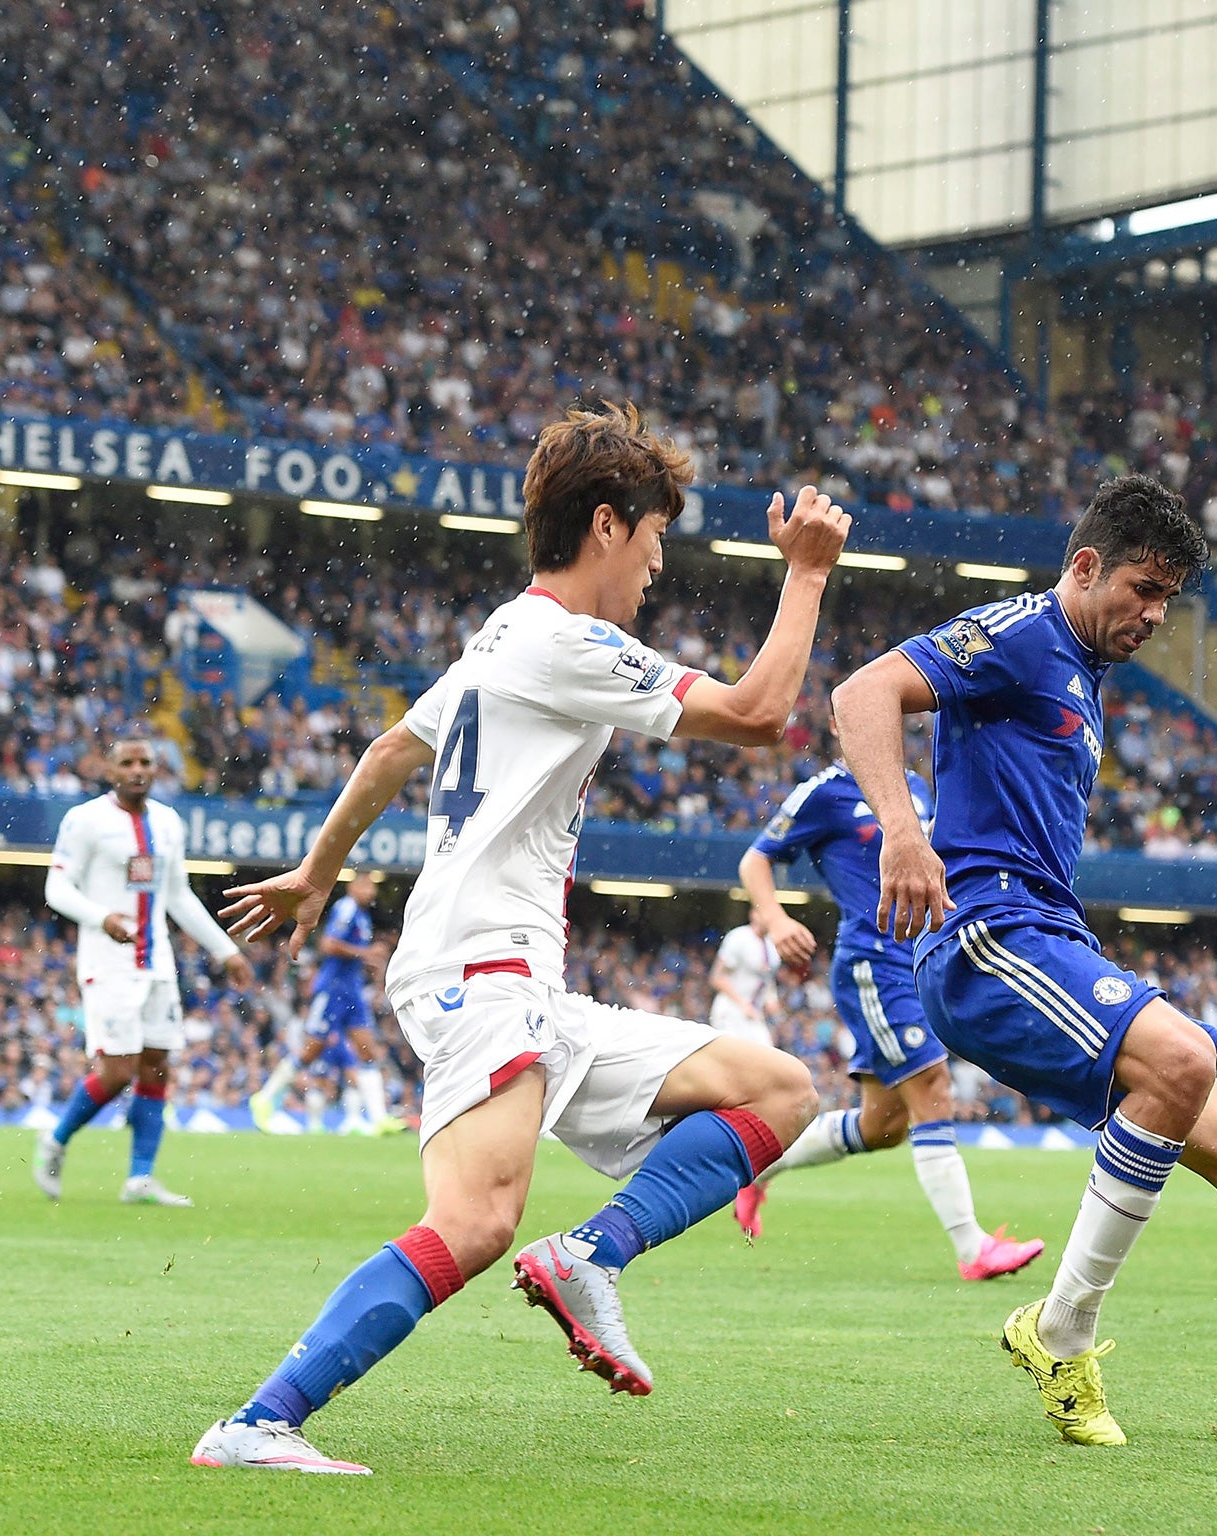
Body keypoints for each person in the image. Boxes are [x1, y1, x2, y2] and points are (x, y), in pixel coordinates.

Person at [191, 403, 850, 1475]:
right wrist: (808, 572)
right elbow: (759, 712)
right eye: (652, 540)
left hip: (520, 981)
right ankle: (258, 1424)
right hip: (475, 968)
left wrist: (317, 872)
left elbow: (383, 754)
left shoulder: (500, 636)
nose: (654, 567)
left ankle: (592, 1253)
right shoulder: (562, 641)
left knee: (776, 1090)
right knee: (476, 1219)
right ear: (605, 525)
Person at [830, 475, 1217, 1450]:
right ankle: (1060, 1329)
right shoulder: (1022, 635)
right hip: (985, 940)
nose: (1154, 616)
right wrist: (901, 837)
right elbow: (861, 690)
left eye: (1167, 599)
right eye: (1142, 590)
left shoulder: (1078, 668)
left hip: (1046, 939)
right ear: (1084, 567)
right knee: (1179, 1060)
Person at [732, 759, 1045, 1282]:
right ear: (839, 720)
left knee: (883, 1127)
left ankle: (760, 1166)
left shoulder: (914, 788)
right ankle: (973, 1248)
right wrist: (778, 918)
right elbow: (755, 860)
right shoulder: (825, 793)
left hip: (919, 962)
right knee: (932, 1082)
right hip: (874, 965)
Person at [35, 733, 256, 1206]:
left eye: (146, 762)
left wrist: (225, 951)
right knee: (117, 1071)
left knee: (156, 1064)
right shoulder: (86, 820)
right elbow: (57, 888)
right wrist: (102, 917)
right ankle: (55, 1139)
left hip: (156, 964)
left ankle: (140, 1179)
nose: (137, 770)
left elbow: (178, 895)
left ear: (157, 770)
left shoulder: (169, 823)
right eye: (127, 762)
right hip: (108, 963)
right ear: (110, 770)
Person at [248, 873, 403, 1135]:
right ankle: (263, 1099)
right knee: (310, 1051)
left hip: (350, 991)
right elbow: (328, 944)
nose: (370, 891)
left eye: (372, 887)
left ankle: (379, 1119)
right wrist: (366, 953)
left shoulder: (362, 916)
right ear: (353, 886)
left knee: (367, 1051)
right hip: (332, 990)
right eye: (365, 884)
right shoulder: (347, 908)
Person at [707, 918, 781, 1046]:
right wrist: (742, 1004)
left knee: (765, 1057)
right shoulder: (739, 937)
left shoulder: (772, 944)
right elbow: (717, 977)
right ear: (755, 915)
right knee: (732, 1056)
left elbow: (767, 978)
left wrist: (771, 999)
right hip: (730, 1008)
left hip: (754, 1013)